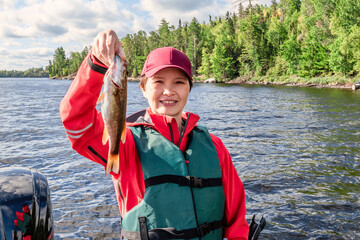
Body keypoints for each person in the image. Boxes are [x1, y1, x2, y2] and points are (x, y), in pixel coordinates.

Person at [60, 29, 249, 239]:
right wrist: (96, 62)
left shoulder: (215, 147)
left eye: (179, 82)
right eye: (158, 82)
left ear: (189, 88)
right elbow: (77, 121)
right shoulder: (127, 143)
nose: (168, 91)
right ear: (143, 88)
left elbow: (237, 219)